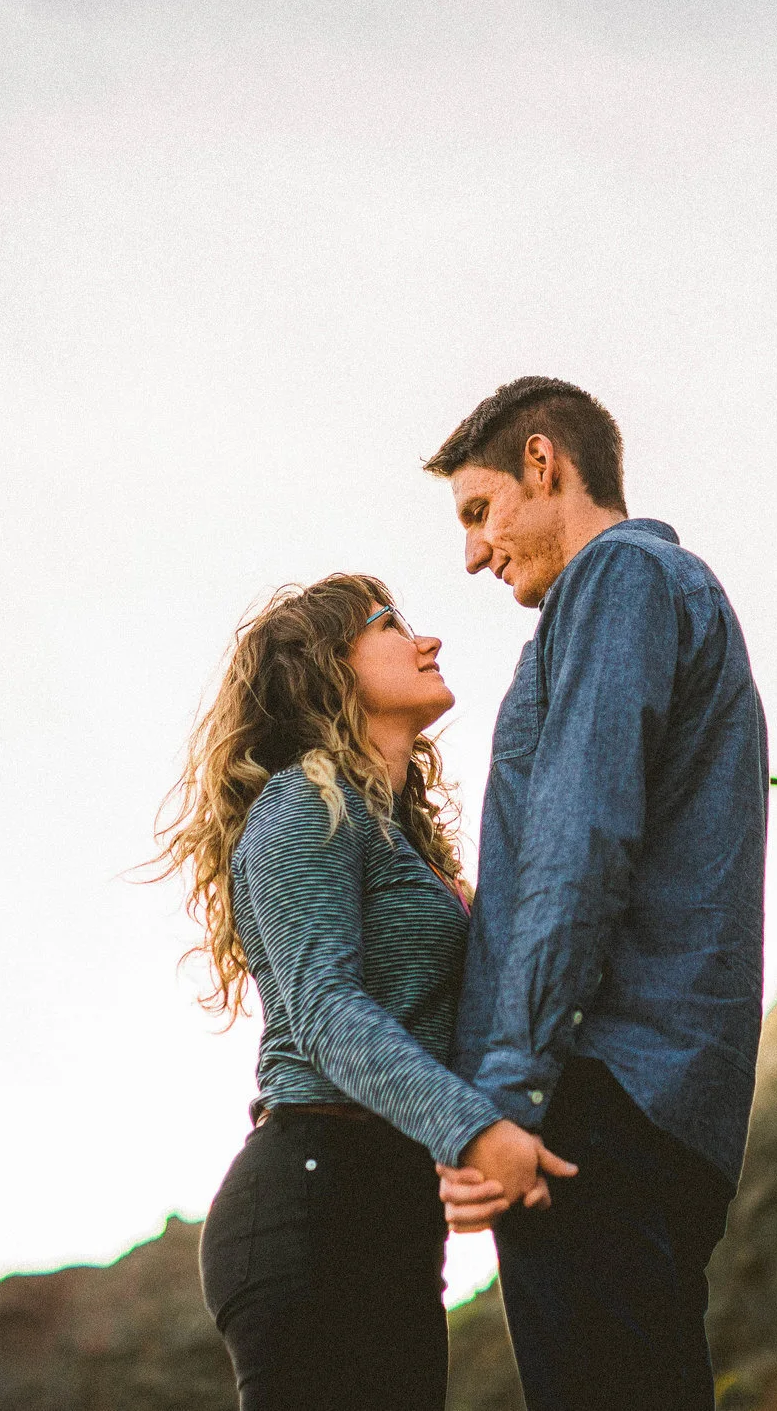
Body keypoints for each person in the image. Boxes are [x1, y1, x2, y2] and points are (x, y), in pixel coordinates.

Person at [426, 378, 769, 1411]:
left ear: (544, 463)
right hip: (665, 1103)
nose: (475, 554)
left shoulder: (618, 580)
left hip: (593, 1098)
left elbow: (582, 840)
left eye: (479, 513)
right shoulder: (665, 594)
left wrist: (509, 1099)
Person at [156, 574, 574, 1410]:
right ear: (328, 669)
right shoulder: (302, 806)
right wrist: (474, 1128)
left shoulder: (403, 844)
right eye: (390, 625)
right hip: (310, 1198)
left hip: (390, 1209)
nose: (428, 640)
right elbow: (325, 1014)